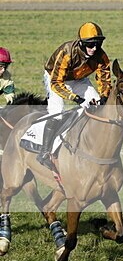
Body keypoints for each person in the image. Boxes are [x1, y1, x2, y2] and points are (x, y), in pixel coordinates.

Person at [37, 22, 111, 170]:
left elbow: (104, 79)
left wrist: (103, 96)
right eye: (90, 45)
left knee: (98, 107)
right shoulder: (67, 52)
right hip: (55, 78)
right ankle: (44, 152)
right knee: (57, 113)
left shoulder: (101, 56)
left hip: (79, 79)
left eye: (98, 44)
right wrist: (77, 99)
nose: (94, 48)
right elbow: (56, 83)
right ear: (81, 43)